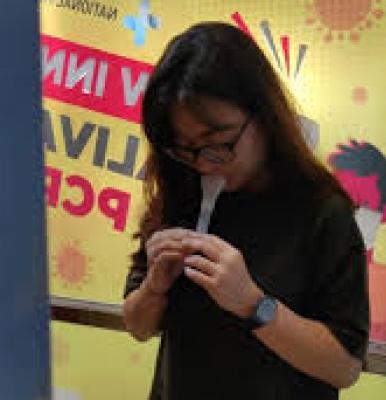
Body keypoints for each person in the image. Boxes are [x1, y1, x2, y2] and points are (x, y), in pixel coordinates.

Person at [122, 22, 370, 400]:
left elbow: (345, 367)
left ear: (264, 116)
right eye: (184, 147)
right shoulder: (182, 190)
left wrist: (252, 303)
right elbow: (138, 326)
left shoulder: (322, 213)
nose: (203, 164)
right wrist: (155, 287)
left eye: (218, 143)